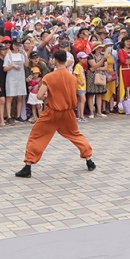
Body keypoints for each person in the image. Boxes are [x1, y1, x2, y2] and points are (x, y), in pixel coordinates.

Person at [15, 50, 95, 178]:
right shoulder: (71, 77)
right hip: (68, 112)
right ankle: (89, 160)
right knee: (75, 135)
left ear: (55, 61)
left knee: (37, 136)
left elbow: (40, 95)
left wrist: (46, 97)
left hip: (52, 112)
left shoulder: (49, 77)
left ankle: (28, 166)